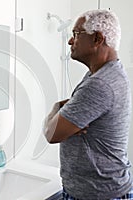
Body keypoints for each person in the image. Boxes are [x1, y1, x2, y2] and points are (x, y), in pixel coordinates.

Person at [43, 10, 133, 199]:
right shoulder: (106, 72)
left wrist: (55, 109)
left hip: (98, 194)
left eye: (76, 34)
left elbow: (52, 134)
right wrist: (63, 112)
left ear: (97, 39)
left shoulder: (99, 83)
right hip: (100, 190)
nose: (70, 41)